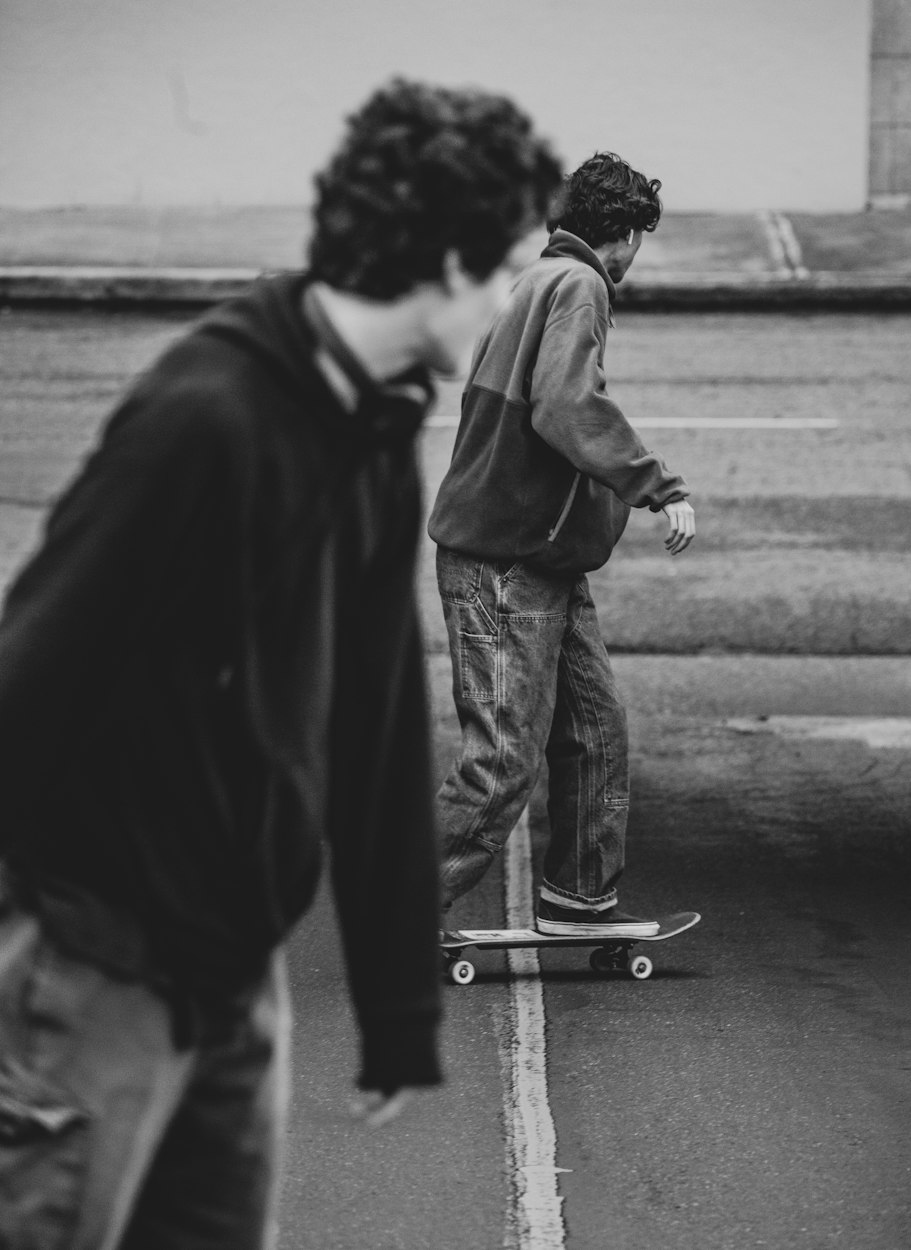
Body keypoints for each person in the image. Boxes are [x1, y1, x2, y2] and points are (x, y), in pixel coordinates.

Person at [0, 79, 561, 1248]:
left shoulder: (369, 431)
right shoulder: (204, 419)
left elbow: (372, 723)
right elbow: (29, 682)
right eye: (507, 264)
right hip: (94, 970)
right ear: (451, 264)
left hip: (232, 976)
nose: (515, 295)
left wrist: (399, 1005)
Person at [430, 151, 696, 938]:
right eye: (638, 237)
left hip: (537, 556)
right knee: (505, 753)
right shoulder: (580, 286)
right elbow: (566, 405)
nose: (635, 257)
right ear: (621, 235)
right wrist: (658, 485)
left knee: (593, 730)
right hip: (506, 562)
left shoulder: (538, 279)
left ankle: (579, 899)